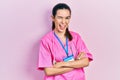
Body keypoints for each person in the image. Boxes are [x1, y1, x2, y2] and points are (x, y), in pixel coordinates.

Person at [38, 3, 93, 80]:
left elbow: (85, 62)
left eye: (67, 18)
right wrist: (76, 64)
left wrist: (61, 64)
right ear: (53, 18)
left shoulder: (76, 37)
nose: (64, 22)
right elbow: (49, 71)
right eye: (60, 17)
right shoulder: (46, 41)